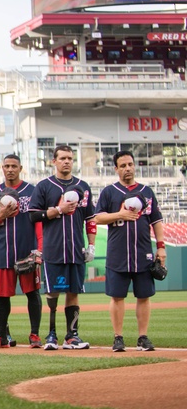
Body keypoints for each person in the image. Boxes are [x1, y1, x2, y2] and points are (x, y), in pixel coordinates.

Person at [93, 151, 165, 352]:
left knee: (144, 296)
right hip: (118, 253)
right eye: (123, 165)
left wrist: (161, 247)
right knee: (117, 297)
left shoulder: (147, 191)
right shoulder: (109, 192)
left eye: (130, 164)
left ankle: (143, 337)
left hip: (143, 252)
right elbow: (97, 218)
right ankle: (118, 337)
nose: (127, 168)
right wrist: (120, 214)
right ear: (116, 169)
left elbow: (157, 221)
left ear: (135, 166)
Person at [29, 145, 96, 350]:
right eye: (63, 158)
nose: (67, 161)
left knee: (73, 292)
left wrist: (91, 246)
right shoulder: (44, 186)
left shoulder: (82, 186)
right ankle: (51, 334)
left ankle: (72, 335)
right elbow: (33, 215)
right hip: (54, 248)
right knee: (53, 292)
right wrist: (58, 210)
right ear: (54, 161)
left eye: (70, 158)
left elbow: (90, 219)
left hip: (76, 248)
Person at [0, 154, 44, 349]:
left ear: (20, 168)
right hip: (2, 251)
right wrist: (0, 216)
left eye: (13, 166)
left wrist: (40, 250)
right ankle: (1, 336)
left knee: (32, 293)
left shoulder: (32, 191)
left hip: (27, 251)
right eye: (6, 166)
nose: (10, 169)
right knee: (2, 296)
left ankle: (34, 335)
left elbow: (39, 222)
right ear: (2, 168)